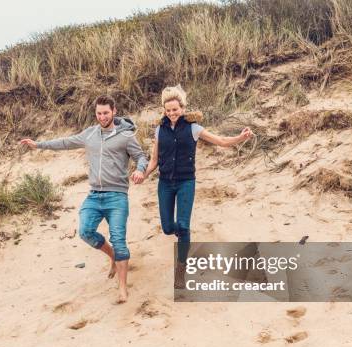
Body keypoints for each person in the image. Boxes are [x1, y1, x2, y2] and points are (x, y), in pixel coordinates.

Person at [20, 95, 147, 303]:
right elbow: (65, 142)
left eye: (106, 112)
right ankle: (112, 256)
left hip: (117, 196)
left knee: (119, 240)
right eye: (99, 113)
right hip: (94, 195)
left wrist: (140, 170)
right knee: (85, 231)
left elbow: (141, 156)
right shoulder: (90, 134)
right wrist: (38, 145)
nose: (102, 116)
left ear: (114, 111)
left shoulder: (125, 136)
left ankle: (122, 288)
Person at [138, 85, 253, 288]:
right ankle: (182, 235)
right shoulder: (159, 130)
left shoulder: (194, 129)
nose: (172, 113)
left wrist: (240, 137)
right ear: (164, 111)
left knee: (183, 226)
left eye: (175, 109)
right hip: (165, 183)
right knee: (167, 228)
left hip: (185, 182)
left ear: (182, 108)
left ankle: (180, 270)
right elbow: (154, 159)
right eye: (168, 110)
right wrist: (143, 174)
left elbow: (221, 141)